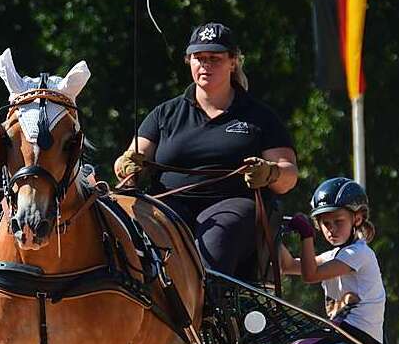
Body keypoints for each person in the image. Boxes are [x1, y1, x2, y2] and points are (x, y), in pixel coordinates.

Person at [113, 22, 298, 278]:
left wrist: (270, 173)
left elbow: (288, 176)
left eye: (215, 58)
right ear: (188, 61)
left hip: (232, 206)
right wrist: (128, 164)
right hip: (169, 204)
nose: (205, 65)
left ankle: (208, 312)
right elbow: (130, 157)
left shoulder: (259, 117)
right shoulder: (165, 114)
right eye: (198, 58)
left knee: (217, 236)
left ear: (233, 61)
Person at [281, 177, 386, 344]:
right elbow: (288, 265)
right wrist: (270, 231)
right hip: (342, 333)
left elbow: (310, 275)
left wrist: (306, 236)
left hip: (360, 339)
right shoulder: (333, 256)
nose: (331, 230)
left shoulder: (359, 253)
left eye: (338, 222)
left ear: (357, 219)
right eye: (326, 224)